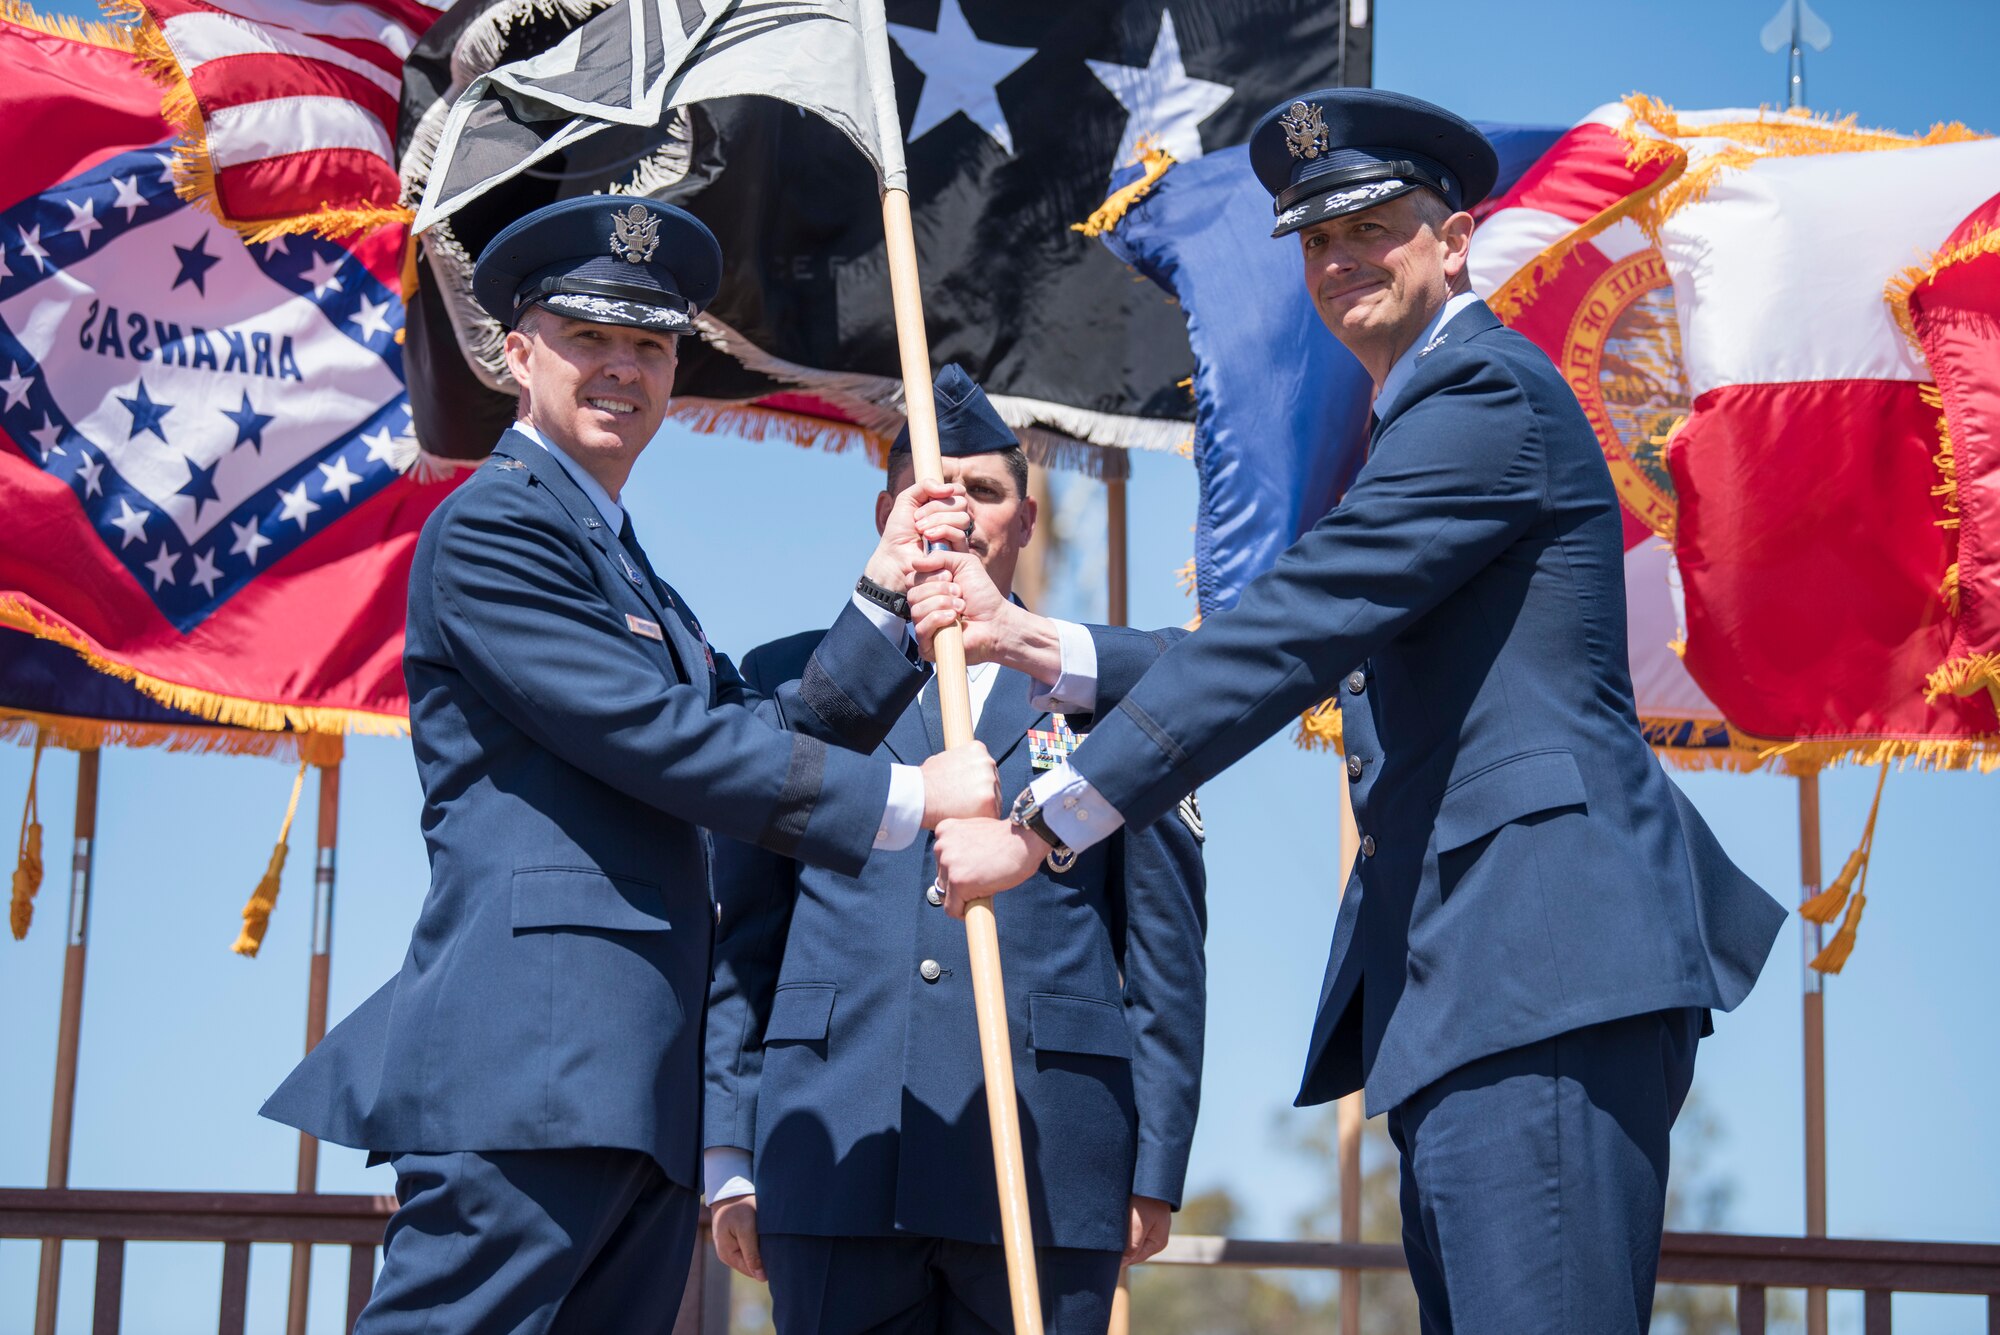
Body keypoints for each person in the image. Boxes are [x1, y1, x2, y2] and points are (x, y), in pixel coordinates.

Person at [927, 90, 1788, 1333]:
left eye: (1374, 228)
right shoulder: (1425, 420)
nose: (1340, 263)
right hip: (1473, 981)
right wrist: (1030, 639)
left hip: (1534, 961)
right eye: (1317, 242)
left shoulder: (1481, 397)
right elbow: (1303, 629)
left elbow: (1294, 627)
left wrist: (1047, 821)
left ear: (1455, 239)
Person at [259, 197, 1001, 1333]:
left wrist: (883, 593)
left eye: (649, 345)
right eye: (589, 337)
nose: (623, 368)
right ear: (516, 354)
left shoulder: (620, 557)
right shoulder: (496, 528)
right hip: (530, 1071)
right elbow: (657, 741)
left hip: (631, 1083)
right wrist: (906, 798)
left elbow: (755, 724)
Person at [701, 365, 1207, 1335]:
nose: (959, 515)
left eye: (984, 491)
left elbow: (1162, 949)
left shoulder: (1103, 692)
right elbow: (743, 933)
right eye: (934, 491)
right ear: (888, 512)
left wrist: (1153, 1166)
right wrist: (729, 1149)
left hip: (1049, 1161)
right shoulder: (790, 684)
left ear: (1022, 519)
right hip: (833, 1147)